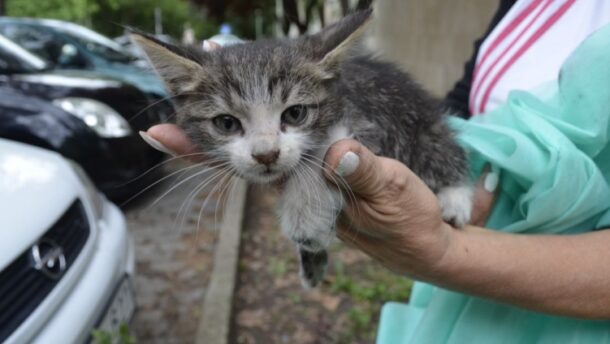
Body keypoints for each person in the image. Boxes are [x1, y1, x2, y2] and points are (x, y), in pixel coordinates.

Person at [142, 0, 610, 341]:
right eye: (228, 124)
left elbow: (431, 126)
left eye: (292, 116)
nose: (265, 150)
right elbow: (458, 100)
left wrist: (444, 244)